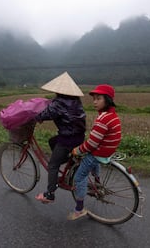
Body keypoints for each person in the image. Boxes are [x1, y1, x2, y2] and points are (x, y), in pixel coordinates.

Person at [68, 84, 122, 220]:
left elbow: (92, 143)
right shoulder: (112, 116)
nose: (95, 102)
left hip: (98, 152)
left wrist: (77, 150)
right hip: (107, 151)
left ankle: (79, 209)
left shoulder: (103, 119)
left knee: (79, 177)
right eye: (94, 99)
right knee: (92, 161)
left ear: (107, 100)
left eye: (98, 98)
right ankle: (97, 181)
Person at [35, 72, 86, 203]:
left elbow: (46, 113)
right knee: (52, 141)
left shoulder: (59, 103)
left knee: (52, 165)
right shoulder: (76, 100)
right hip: (80, 137)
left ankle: (50, 194)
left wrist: (36, 117)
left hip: (67, 139)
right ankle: (70, 161)